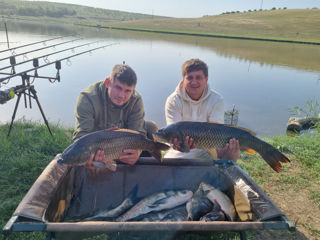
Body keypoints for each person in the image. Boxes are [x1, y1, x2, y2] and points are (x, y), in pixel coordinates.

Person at [73, 63, 157, 169]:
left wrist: (137, 153)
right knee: (83, 159)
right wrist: (88, 160)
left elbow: (138, 132)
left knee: (151, 127)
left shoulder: (136, 100)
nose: (121, 95)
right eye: (118, 88)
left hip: (123, 144)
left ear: (133, 90)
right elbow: (81, 137)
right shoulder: (88, 98)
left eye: (128, 91)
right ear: (108, 82)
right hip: (97, 145)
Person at [165, 58, 240, 161]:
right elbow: (173, 134)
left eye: (198, 77)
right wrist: (178, 145)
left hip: (208, 149)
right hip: (179, 151)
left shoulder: (217, 100)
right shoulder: (173, 100)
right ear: (183, 79)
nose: (194, 82)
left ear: (206, 79)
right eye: (189, 78)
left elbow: (217, 132)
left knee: (232, 152)